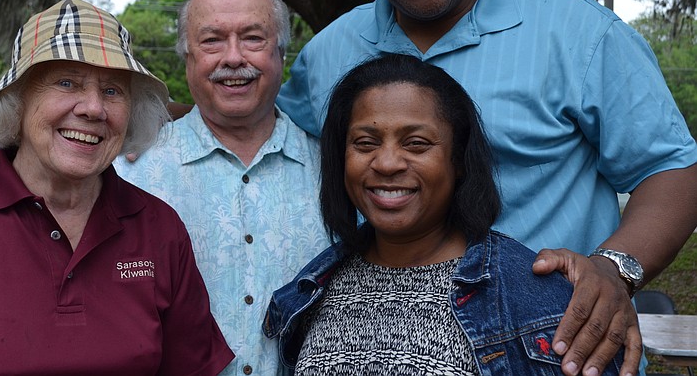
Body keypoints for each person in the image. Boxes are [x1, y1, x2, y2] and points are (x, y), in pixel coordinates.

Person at [274, 0, 697, 376]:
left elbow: (672, 167)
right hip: (371, 344)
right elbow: (265, 132)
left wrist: (615, 269)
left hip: (553, 350)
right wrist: (173, 119)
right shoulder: (328, 53)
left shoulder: (581, 34)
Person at [0, 0, 329, 376]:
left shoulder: (337, 174)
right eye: (212, 40)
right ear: (187, 55)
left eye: (253, 38)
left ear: (282, 51)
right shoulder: (118, 167)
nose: (232, 57)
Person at [0, 0, 234, 375]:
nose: (93, 108)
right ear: (17, 101)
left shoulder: (159, 230)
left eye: (113, 90)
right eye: (66, 83)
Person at [265, 53, 624, 375]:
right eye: (365, 143)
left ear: (459, 160)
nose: (387, 163)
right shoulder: (310, 291)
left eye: (416, 144)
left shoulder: (538, 298)